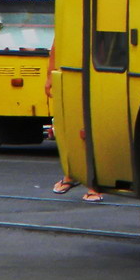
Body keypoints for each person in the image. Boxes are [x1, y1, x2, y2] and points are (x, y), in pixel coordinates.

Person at [46, 47, 102, 202]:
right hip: (76, 71)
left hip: (100, 69)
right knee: (74, 125)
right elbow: (58, 42)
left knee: (91, 127)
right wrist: (50, 74)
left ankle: (93, 184)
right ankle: (74, 175)